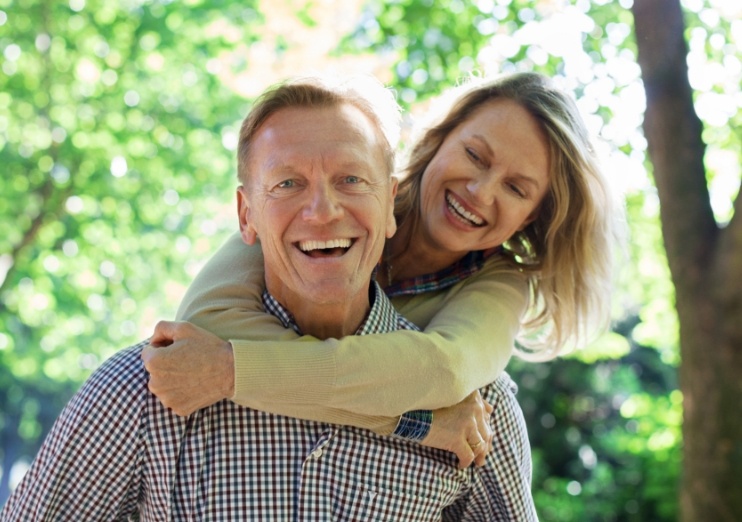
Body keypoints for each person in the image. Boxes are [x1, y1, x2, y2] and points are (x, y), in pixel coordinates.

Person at [1, 75, 537, 520]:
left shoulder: (475, 415)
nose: (322, 211)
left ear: (391, 203)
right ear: (245, 216)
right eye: (287, 184)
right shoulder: (142, 392)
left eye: (351, 179)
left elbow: (445, 368)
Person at [144, 71, 619, 460]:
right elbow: (204, 329)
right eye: (474, 155)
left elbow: (444, 372)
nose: (481, 191)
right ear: (439, 139)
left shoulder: (500, 285)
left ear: (532, 215)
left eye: (517, 188)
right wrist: (415, 420)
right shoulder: (325, 202)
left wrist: (232, 373)